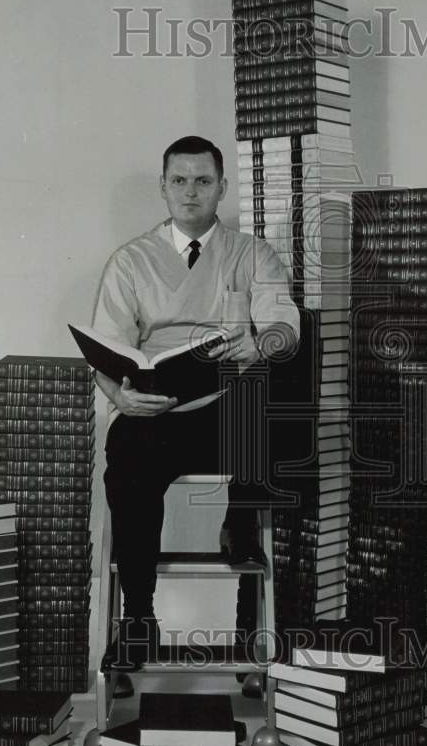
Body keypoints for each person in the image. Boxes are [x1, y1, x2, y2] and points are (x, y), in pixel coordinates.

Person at [92, 135, 300, 667]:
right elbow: (107, 350)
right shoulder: (131, 261)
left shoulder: (252, 253)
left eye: (203, 181)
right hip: (157, 413)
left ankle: (248, 613)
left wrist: (264, 340)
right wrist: (123, 396)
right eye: (179, 181)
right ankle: (138, 616)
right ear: (163, 188)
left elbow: (285, 322)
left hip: (230, 407)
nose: (191, 192)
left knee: (273, 401)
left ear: (221, 188)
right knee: (128, 457)